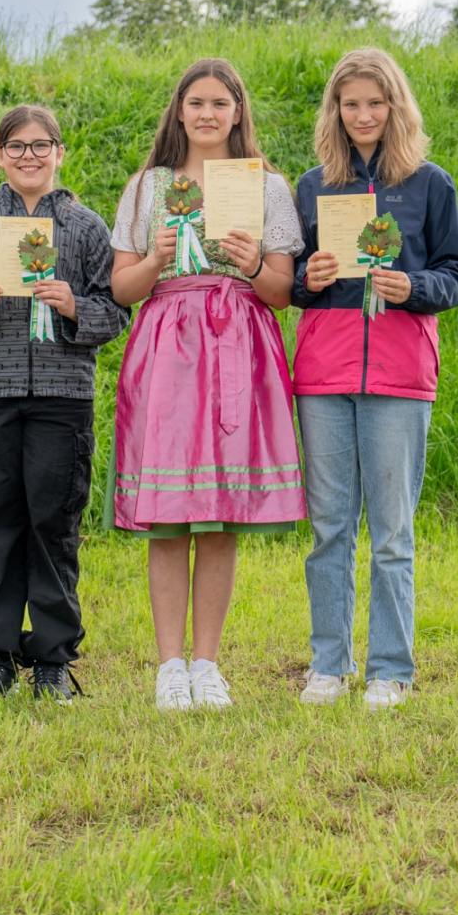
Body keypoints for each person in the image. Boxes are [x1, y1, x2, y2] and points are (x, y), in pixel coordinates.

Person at [110, 58, 305, 711]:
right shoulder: (148, 186)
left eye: (221, 103)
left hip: (239, 343)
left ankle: (207, 664)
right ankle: (169, 666)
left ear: (238, 112)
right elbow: (122, 288)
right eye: (196, 102)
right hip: (167, 341)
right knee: (169, 514)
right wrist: (158, 258)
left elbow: (282, 293)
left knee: (220, 510)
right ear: (180, 110)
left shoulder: (266, 188)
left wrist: (253, 264)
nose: (207, 114)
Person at [0, 104, 128, 702]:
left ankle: (53, 659)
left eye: (41, 146)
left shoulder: (87, 228)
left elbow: (114, 310)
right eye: (16, 146)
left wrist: (72, 308)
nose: (29, 156)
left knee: (53, 525)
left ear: (60, 153)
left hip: (63, 398)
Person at [292, 48, 458, 711]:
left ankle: (391, 668)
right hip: (322, 373)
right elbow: (295, 282)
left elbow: (456, 273)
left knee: (392, 530)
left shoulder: (430, 184)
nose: (363, 115)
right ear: (335, 112)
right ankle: (328, 665)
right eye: (351, 104)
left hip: (399, 372)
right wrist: (308, 280)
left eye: (375, 102)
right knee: (330, 525)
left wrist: (412, 285)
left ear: (395, 107)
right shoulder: (313, 186)